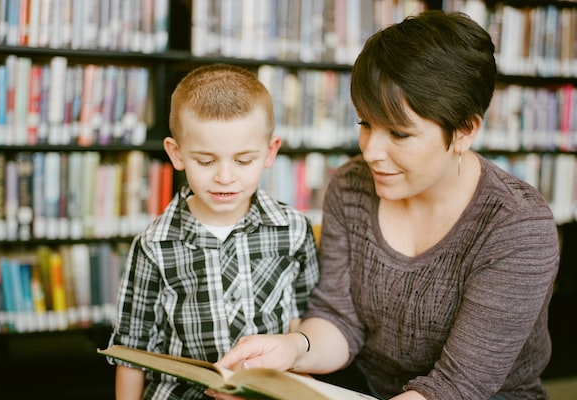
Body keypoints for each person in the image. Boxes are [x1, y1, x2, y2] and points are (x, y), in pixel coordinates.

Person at [214, 11, 559, 400]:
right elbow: (339, 320)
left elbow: (458, 386)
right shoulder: (350, 186)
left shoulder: (517, 226)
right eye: (365, 123)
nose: (371, 151)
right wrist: (292, 349)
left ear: (464, 131)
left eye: (398, 132)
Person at [107, 64, 320, 399]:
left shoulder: (293, 229)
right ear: (176, 154)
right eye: (206, 161)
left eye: (243, 160)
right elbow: (131, 348)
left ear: (270, 152)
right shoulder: (154, 244)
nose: (225, 177)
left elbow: (304, 320)